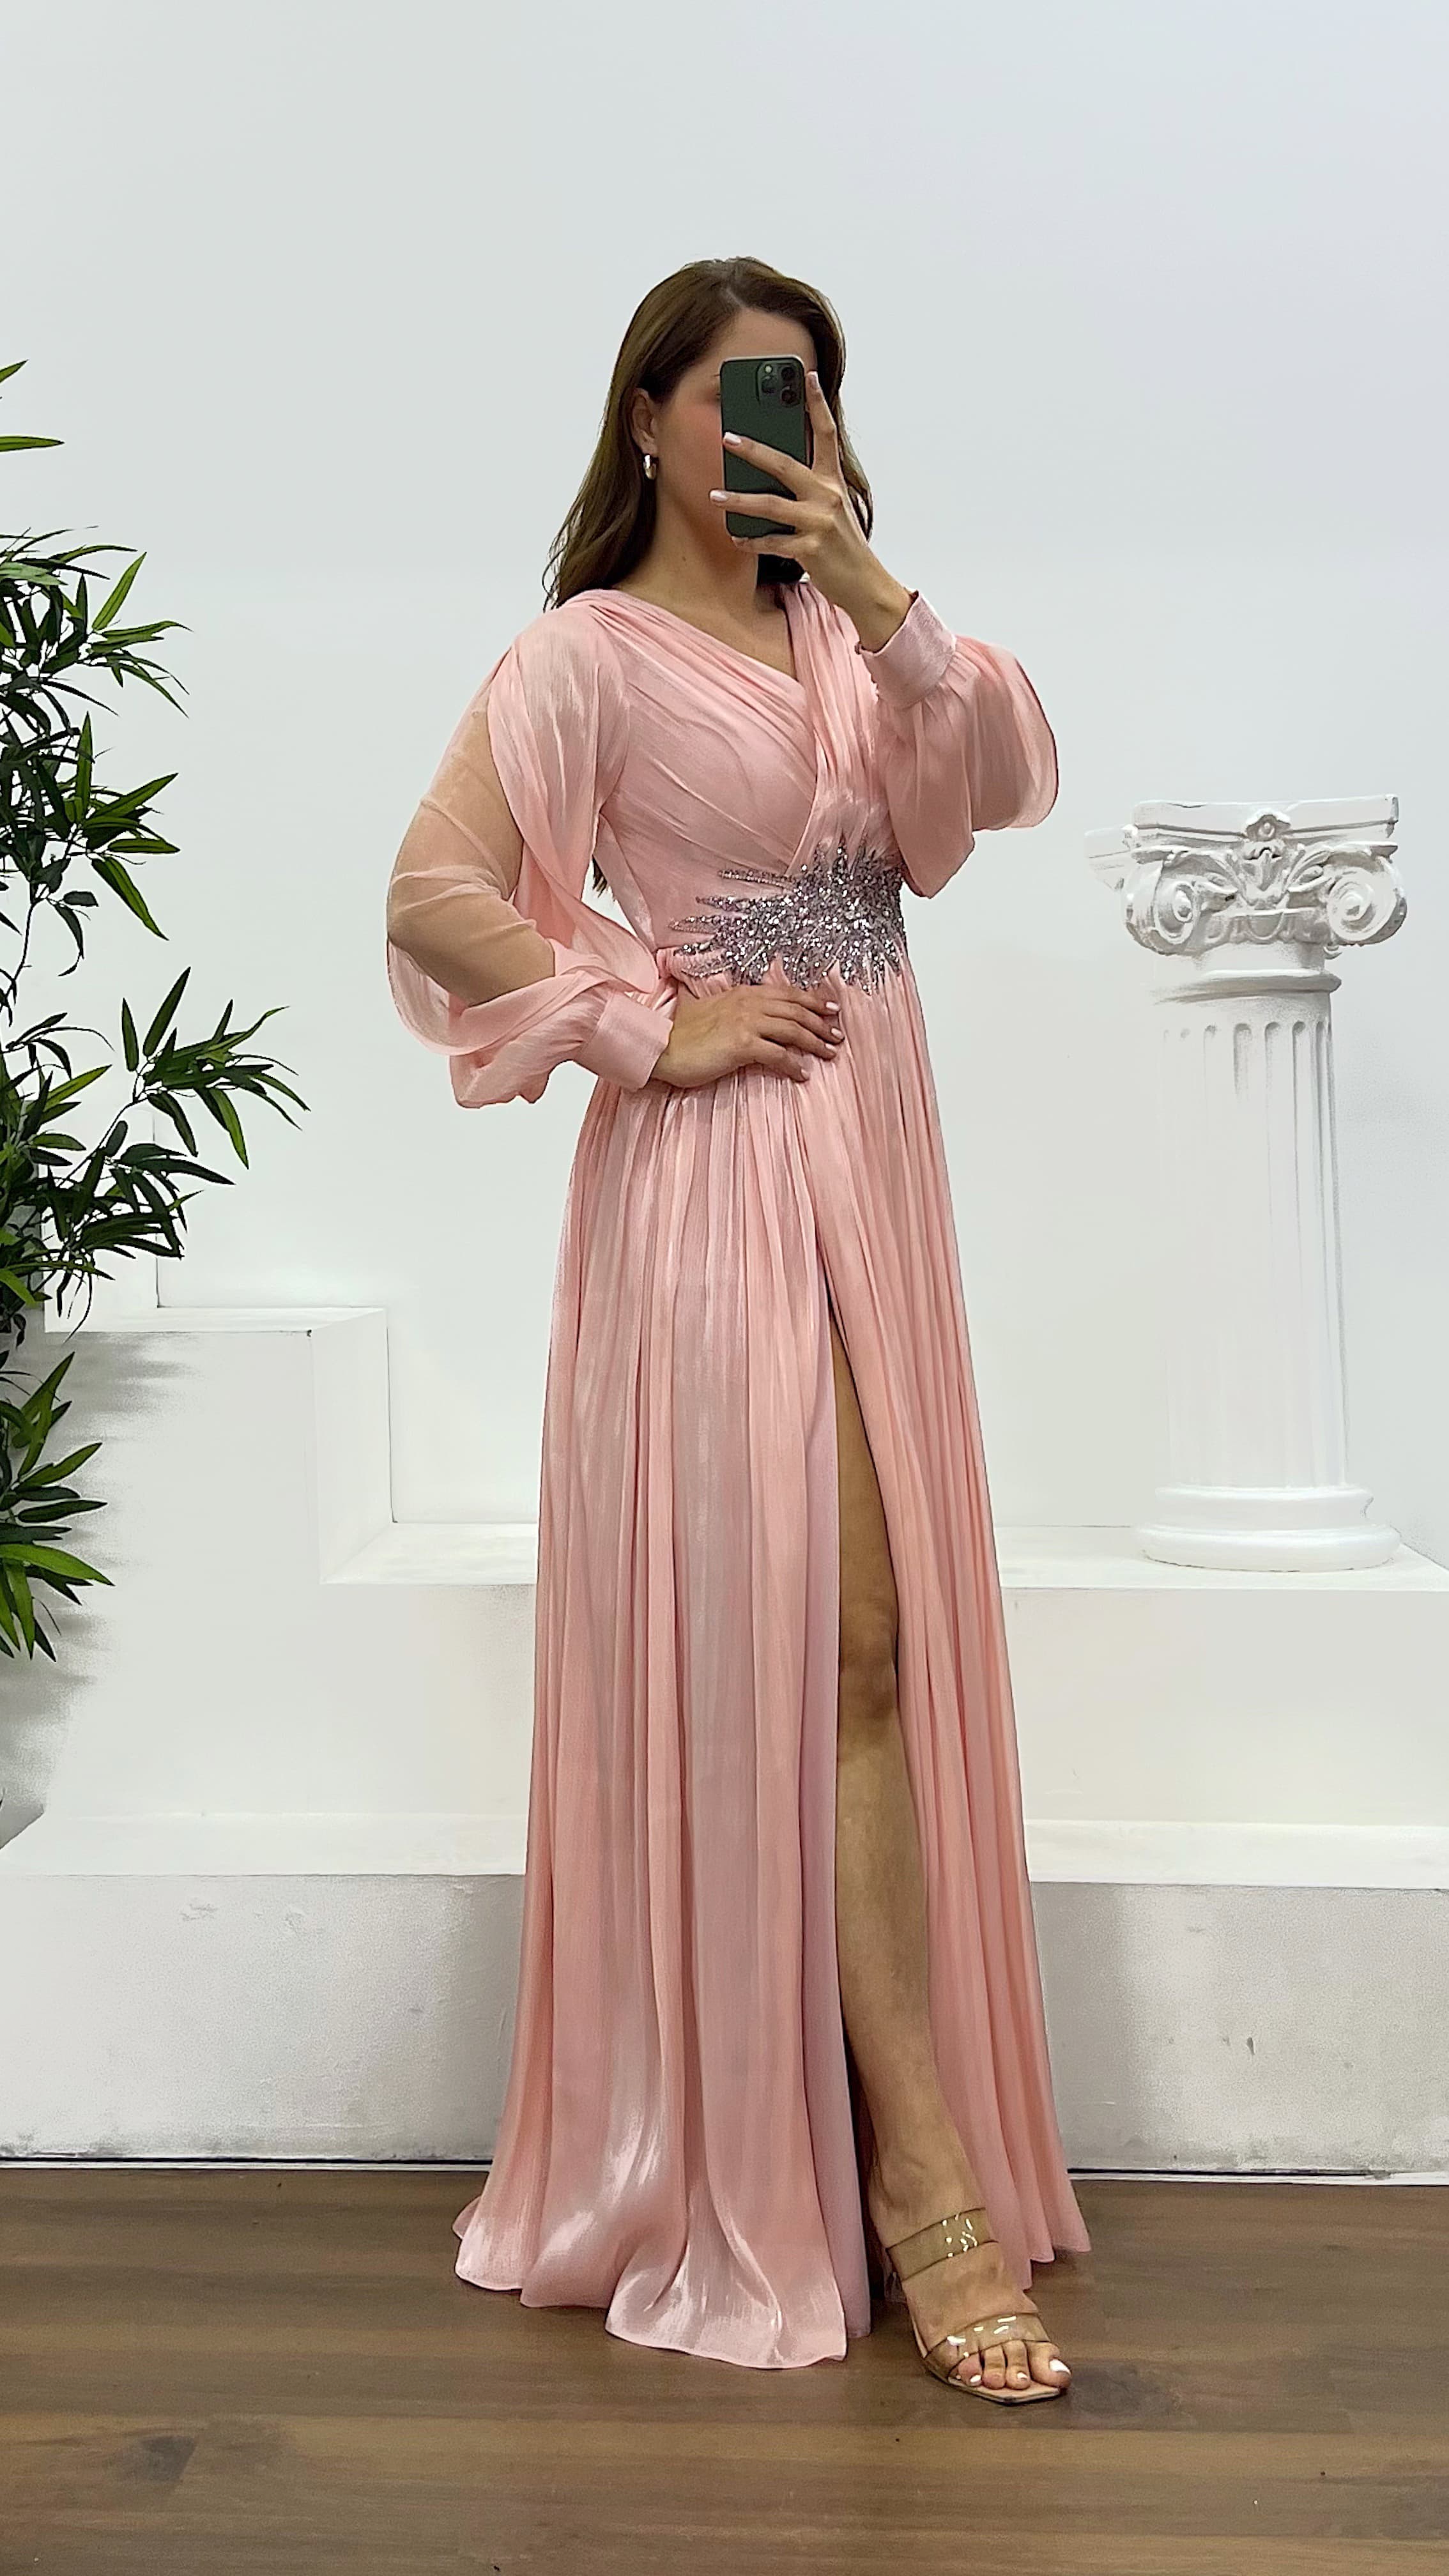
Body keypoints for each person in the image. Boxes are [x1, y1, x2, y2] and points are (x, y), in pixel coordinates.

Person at [385, 257, 1089, 2402]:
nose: (784, 424)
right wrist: (641, 1018)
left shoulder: (857, 643)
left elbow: (984, 806)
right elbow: (430, 893)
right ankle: (916, 2187)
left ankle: (859, 2142)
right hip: (714, 1181)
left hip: (876, 1152)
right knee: (828, 1645)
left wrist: (875, 588)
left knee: (873, 1656)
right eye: (742, 391)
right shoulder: (581, 655)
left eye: (813, 394)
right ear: (647, 418)